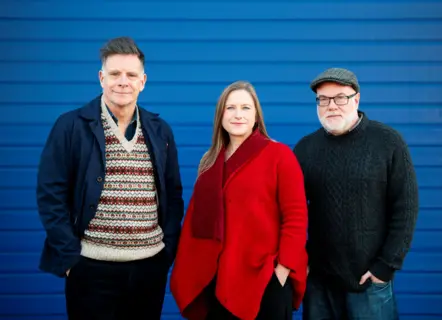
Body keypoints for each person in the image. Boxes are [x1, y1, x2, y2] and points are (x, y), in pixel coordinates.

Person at [36, 36, 184, 320]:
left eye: (131, 75)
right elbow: (49, 195)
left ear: (143, 81)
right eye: (115, 74)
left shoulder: (160, 130)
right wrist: (71, 258)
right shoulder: (71, 126)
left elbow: (173, 194)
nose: (122, 81)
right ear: (101, 78)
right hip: (91, 269)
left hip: (148, 269)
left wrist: (167, 252)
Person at [170, 81, 308, 320]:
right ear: (220, 115)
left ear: (256, 116)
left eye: (246, 108)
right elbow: (196, 221)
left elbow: (296, 217)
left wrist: (282, 271)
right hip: (219, 280)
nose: (238, 115)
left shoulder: (279, 155)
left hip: (264, 279)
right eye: (230, 108)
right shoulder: (210, 160)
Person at [294, 68, 419, 320]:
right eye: (323, 99)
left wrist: (385, 266)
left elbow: (405, 207)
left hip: (369, 281)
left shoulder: (388, 142)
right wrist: (299, 258)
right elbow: (291, 210)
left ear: (357, 99)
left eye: (341, 97)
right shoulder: (305, 149)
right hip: (320, 281)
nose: (332, 106)